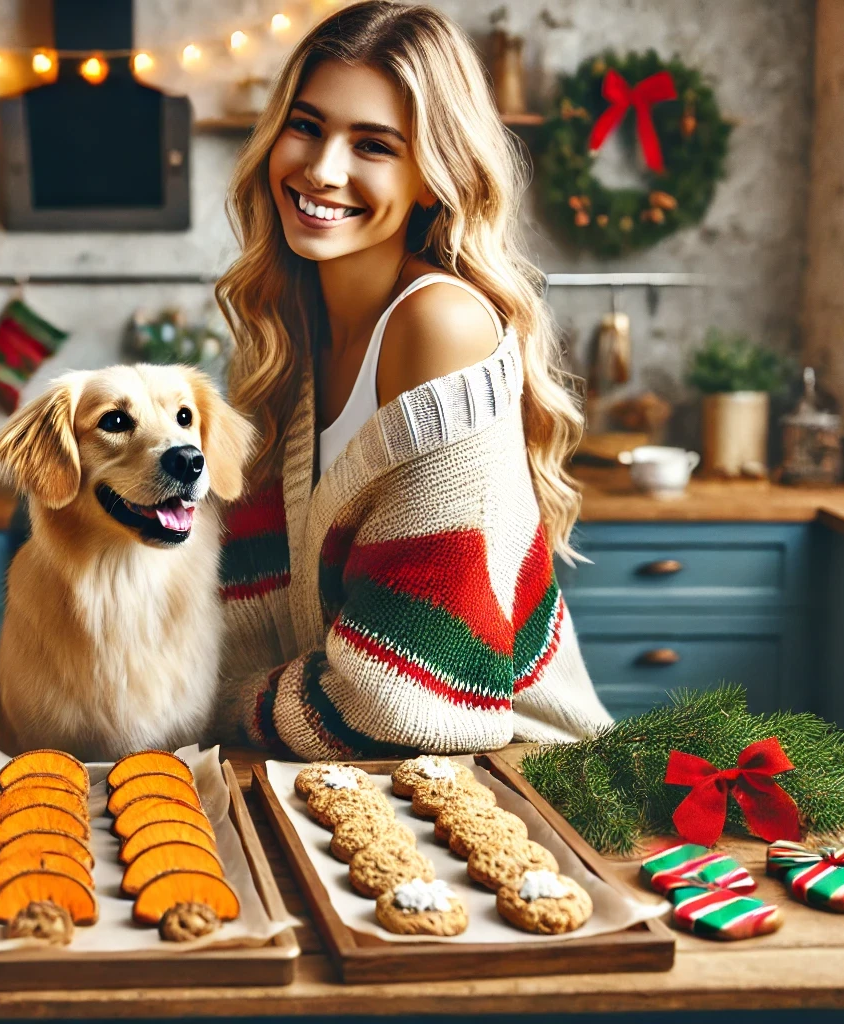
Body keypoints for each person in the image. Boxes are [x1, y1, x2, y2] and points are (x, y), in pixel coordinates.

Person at [214, 0, 612, 757]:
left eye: (374, 145)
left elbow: (403, 699)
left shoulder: (438, 327)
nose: (322, 169)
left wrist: (218, 703)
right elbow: (245, 613)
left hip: (521, 777)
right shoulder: (286, 334)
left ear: (433, 178)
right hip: (354, 773)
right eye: (306, 126)